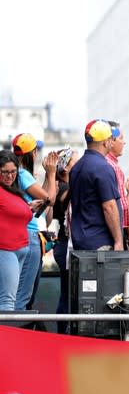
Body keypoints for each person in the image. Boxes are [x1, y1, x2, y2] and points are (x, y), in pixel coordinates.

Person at [11, 133, 57, 310]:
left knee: (22, 293)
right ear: (31, 153)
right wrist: (52, 174)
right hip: (30, 237)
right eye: (35, 150)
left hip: (27, 235)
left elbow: (42, 205)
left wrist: (47, 178)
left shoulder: (18, 174)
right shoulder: (22, 174)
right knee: (23, 296)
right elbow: (50, 199)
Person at [69, 120, 124, 252]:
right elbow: (109, 207)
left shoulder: (77, 167)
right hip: (100, 242)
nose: (112, 141)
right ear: (106, 142)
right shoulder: (103, 167)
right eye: (111, 138)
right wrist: (118, 241)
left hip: (81, 239)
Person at [0, 150, 33, 311]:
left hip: (20, 250)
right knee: (7, 301)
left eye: (13, 172)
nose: (9, 176)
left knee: (10, 301)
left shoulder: (13, 191)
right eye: (5, 172)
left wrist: (29, 208)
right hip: (5, 250)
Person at [52, 148, 78, 332]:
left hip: (64, 245)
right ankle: (62, 332)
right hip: (64, 245)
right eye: (76, 162)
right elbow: (62, 201)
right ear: (66, 167)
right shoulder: (63, 187)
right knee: (68, 294)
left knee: (68, 293)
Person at [106, 121, 129, 248]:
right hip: (114, 238)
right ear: (111, 140)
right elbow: (122, 210)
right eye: (121, 138)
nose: (124, 142)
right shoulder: (113, 167)